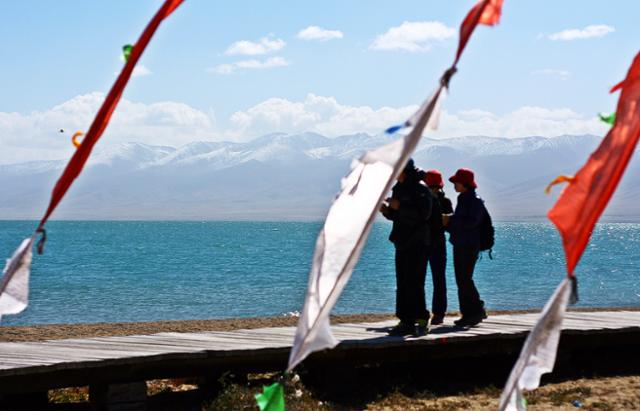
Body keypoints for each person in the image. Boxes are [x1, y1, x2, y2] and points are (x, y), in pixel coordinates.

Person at [380, 159, 433, 336]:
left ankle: (422, 319)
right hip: (401, 241)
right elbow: (397, 216)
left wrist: (400, 206)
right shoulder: (398, 188)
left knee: (415, 282)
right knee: (402, 282)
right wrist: (387, 211)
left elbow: (423, 215)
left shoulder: (421, 189)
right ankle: (405, 320)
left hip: (417, 242)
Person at [443, 168, 488, 327]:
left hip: (468, 245)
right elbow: (462, 223)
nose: (454, 185)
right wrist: (449, 223)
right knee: (462, 279)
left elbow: (471, 222)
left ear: (465, 183)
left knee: (464, 279)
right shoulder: (463, 198)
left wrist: (451, 220)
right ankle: (469, 313)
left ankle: (476, 311)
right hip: (461, 244)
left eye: (457, 182)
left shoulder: (474, 200)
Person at [423, 170, 453, 325]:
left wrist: (447, 221)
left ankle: (439, 313)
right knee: (421, 280)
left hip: (434, 244)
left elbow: (450, 224)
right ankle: (421, 313)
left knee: (438, 279)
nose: (434, 189)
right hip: (426, 243)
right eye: (431, 187)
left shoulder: (444, 202)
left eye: (435, 187)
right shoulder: (442, 201)